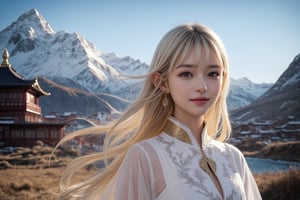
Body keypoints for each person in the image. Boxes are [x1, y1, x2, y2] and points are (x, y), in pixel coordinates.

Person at [57, 23, 262, 200]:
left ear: (223, 78)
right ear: (162, 82)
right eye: (186, 74)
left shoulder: (233, 157)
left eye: (213, 73)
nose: (202, 86)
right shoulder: (144, 156)